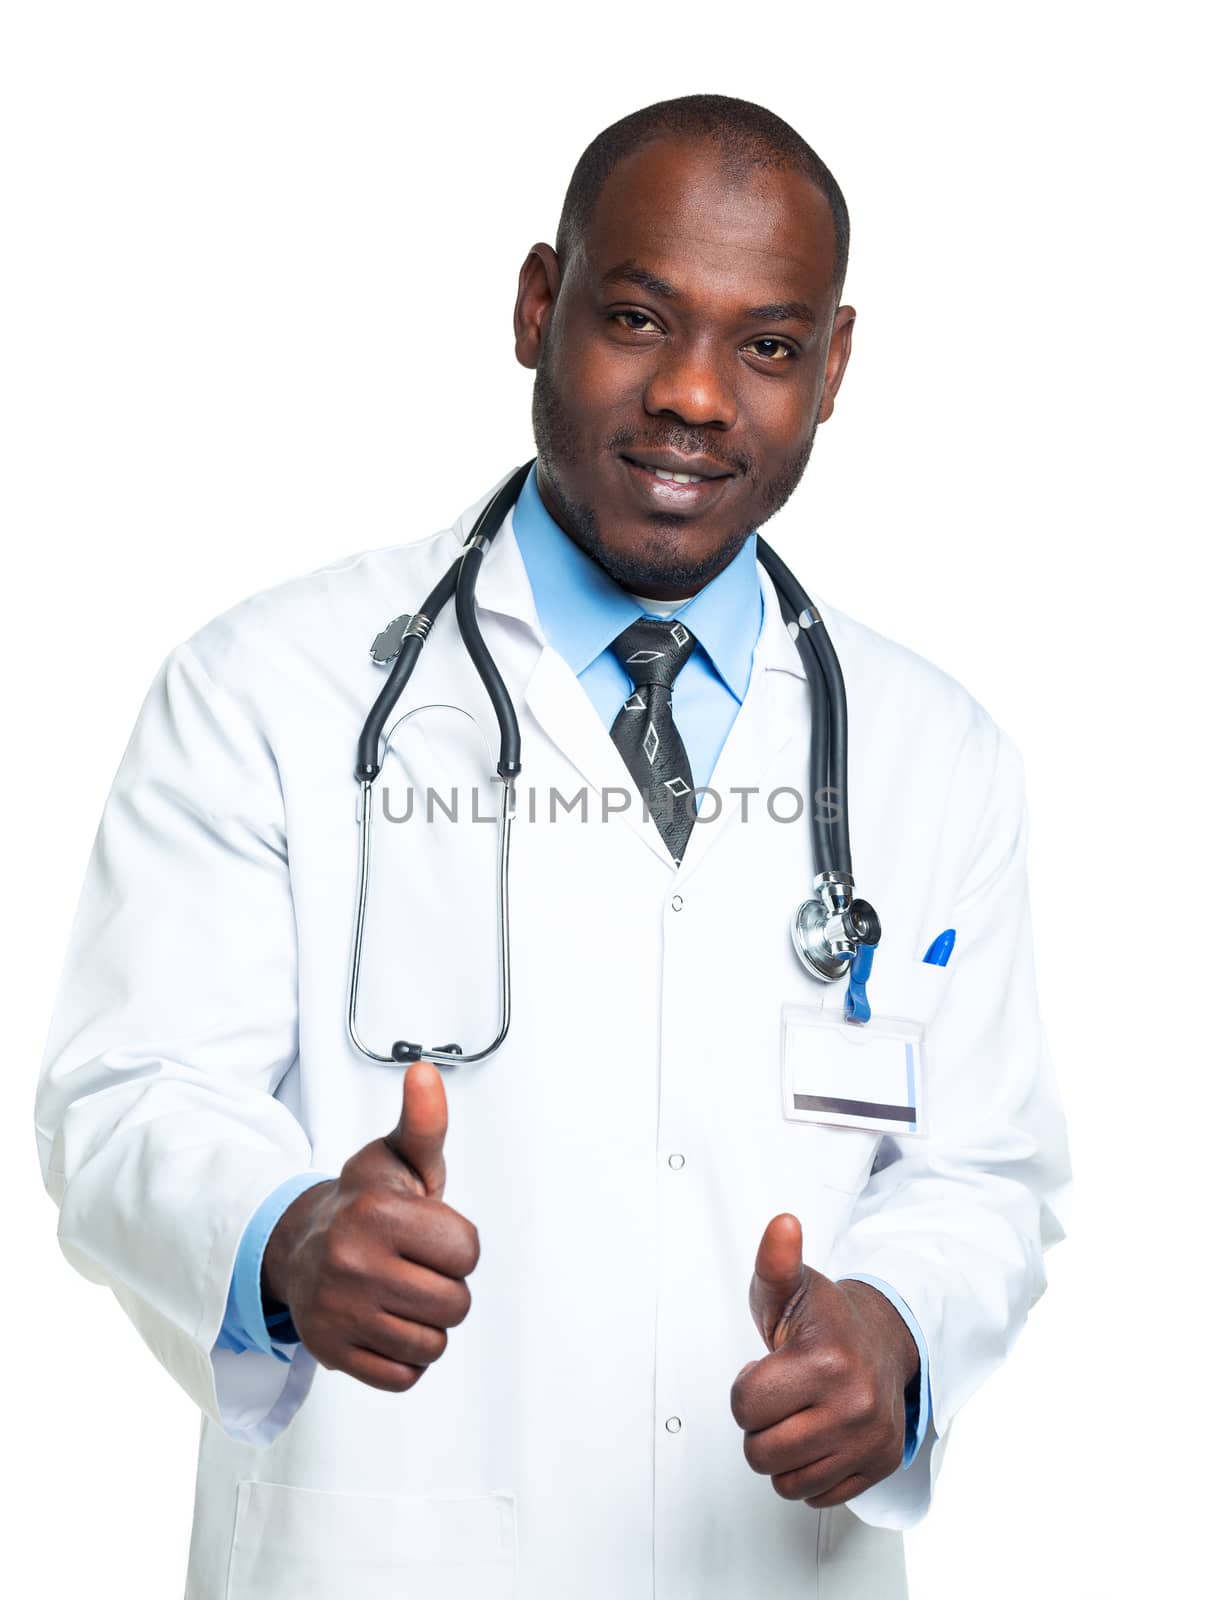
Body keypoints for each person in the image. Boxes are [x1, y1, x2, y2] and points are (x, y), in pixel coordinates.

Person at [35, 94, 1070, 1599]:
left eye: (767, 346)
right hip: (382, 1552)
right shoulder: (266, 689)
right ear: (539, 305)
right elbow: (128, 1098)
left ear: (832, 368)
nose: (697, 397)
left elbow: (984, 1170)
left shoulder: (934, 754)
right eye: (640, 318)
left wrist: (896, 1335)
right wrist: (278, 1236)